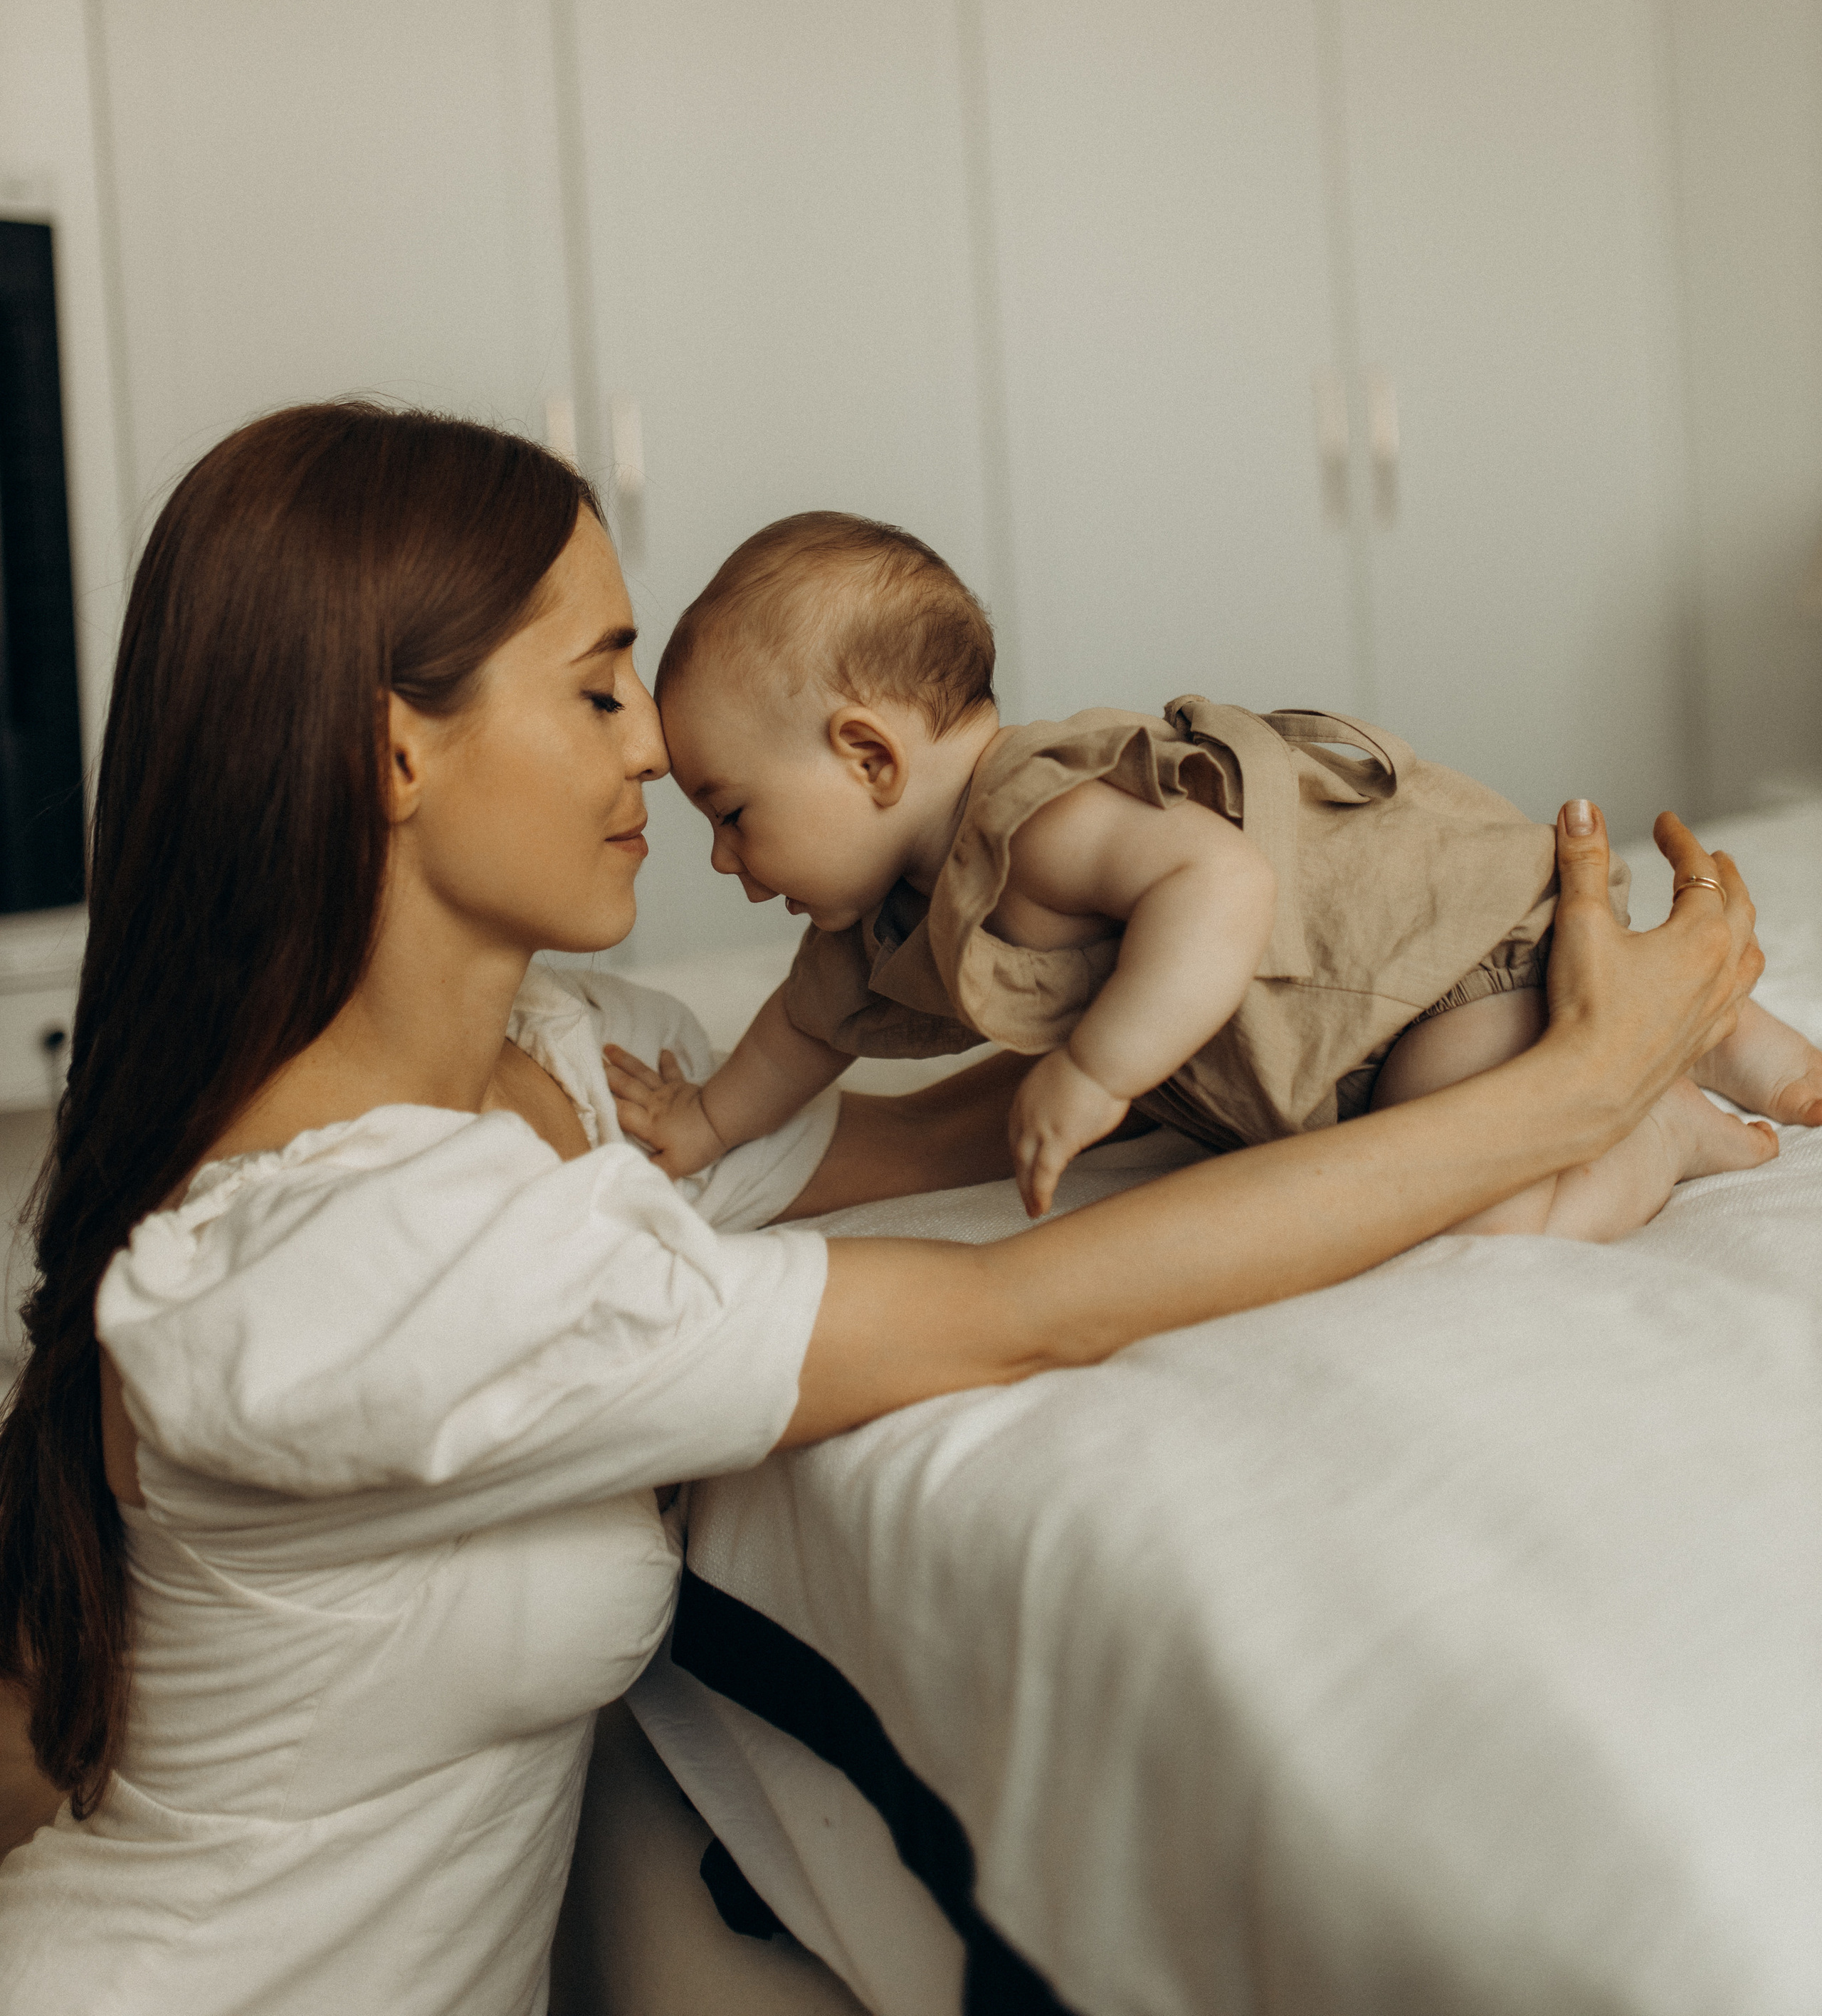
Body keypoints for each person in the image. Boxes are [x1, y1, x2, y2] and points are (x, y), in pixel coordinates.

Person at [0, 409, 1764, 2016]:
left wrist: (1253, 1027)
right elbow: (1024, 1312)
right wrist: (1575, 1091)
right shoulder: (350, 1262)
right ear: (397, 754)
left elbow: (888, 1144)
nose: (653, 762)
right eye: (603, 693)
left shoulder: (576, 1067)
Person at [615, 510, 1810, 1229]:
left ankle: (1661, 1123)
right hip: (1366, 1025)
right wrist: (704, 1126)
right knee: (1483, 1127)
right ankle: (1704, 1042)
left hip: (1422, 977)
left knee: (1491, 1209)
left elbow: (1222, 884)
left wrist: (1098, 1066)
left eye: (731, 813)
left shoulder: (1033, 819)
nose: (721, 858)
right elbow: (799, 1033)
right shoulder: (877, 929)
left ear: (867, 756)